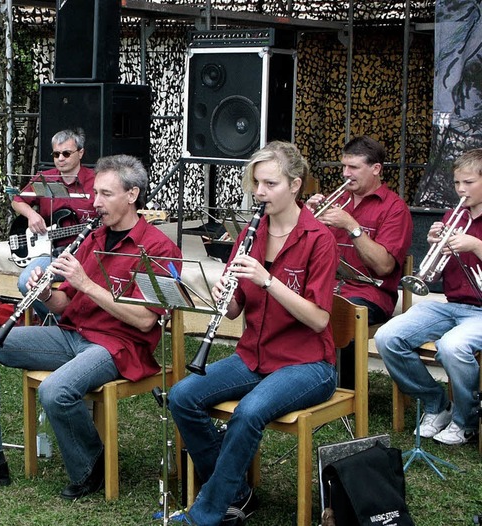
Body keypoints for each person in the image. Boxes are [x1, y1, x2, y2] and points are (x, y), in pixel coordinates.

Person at [0, 154, 182, 498]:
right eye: (95, 193)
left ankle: (91, 465)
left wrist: (86, 284)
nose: (95, 202)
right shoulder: (93, 237)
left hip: (118, 346)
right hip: (73, 334)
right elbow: (63, 303)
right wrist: (47, 291)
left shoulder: (159, 247)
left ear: (132, 195)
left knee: (56, 390)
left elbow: (145, 320)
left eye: (106, 194)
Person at [168, 141, 339, 525]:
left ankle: (206, 513)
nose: (259, 192)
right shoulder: (252, 231)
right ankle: (236, 492)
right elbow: (234, 310)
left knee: (248, 414)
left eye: (270, 184)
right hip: (254, 356)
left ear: (295, 185)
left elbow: (318, 320)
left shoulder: (318, 239)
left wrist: (268, 281)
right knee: (182, 396)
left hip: (308, 363)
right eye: (256, 183)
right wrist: (222, 296)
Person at [375, 148, 482, 445]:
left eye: (468, 183)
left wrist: (474, 245)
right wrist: (434, 255)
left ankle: (467, 420)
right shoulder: (454, 216)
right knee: (388, 337)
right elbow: (437, 274)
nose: (460, 189)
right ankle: (436, 404)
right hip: (453, 305)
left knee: (451, 346)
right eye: (457, 183)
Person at [306, 136, 412, 387]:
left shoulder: (395, 209)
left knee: (338, 311)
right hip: (328, 285)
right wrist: (306, 219)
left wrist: (352, 227)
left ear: (376, 169)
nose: (346, 174)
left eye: (353, 168)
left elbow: (384, 266)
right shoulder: (338, 200)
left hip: (370, 294)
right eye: (344, 167)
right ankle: (293, 377)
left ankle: (343, 389)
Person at [11, 128, 97, 320]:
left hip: (87, 253)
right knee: (27, 282)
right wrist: (32, 215)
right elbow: (17, 200)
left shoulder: (96, 182)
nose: (60, 158)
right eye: (56, 154)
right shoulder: (46, 179)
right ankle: (59, 323)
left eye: (66, 153)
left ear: (80, 152)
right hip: (51, 252)